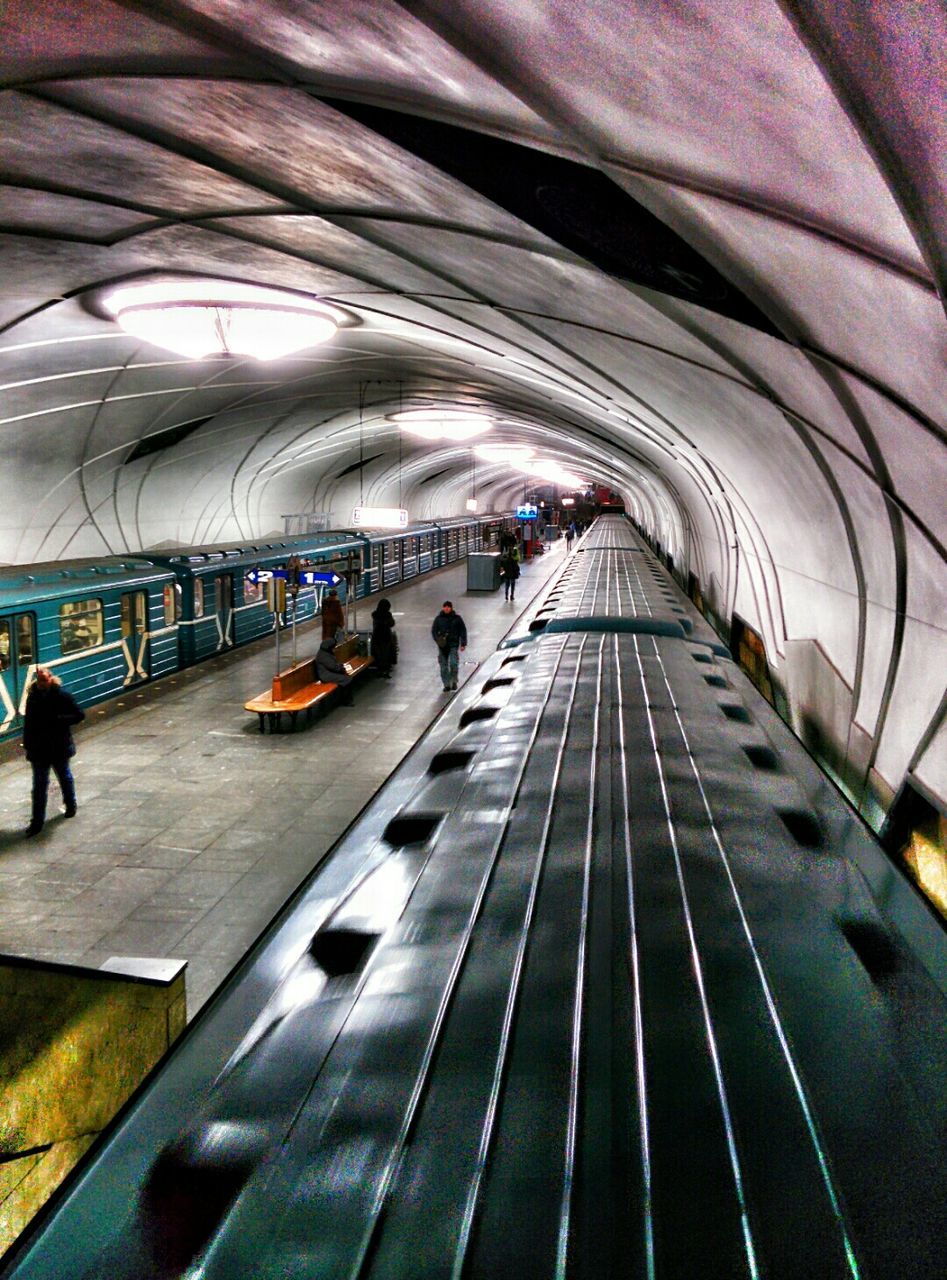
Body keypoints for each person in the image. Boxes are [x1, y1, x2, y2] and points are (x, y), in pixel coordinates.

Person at [21, 667, 84, 837]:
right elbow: (29, 724)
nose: (42, 683)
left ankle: (71, 804)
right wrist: (27, 745)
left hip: (59, 747)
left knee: (64, 776)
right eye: (40, 680)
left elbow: (79, 715)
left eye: (45, 680)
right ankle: (37, 822)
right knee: (39, 786)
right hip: (39, 749)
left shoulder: (63, 696)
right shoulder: (32, 698)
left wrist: (60, 720)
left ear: (51, 679)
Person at [431, 601, 467, 692]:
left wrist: (463, 643)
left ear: (451, 608)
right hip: (442, 646)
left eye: (448, 607)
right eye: (445, 607)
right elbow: (434, 631)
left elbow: (463, 631)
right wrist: (438, 640)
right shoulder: (438, 619)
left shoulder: (457, 619)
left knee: (453, 664)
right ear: (443, 608)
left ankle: (453, 681)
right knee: (443, 667)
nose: (446, 608)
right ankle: (446, 684)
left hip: (453, 645)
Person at [315, 637, 354, 704]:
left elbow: (334, 665)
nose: (335, 648)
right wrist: (343, 668)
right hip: (325, 675)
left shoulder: (325, 652)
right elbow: (334, 667)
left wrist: (342, 667)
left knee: (346, 677)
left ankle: (344, 698)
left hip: (328, 672)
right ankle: (345, 700)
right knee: (347, 679)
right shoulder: (324, 656)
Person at [371, 598, 396, 678]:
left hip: (376, 637)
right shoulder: (388, 614)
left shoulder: (375, 614)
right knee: (386, 654)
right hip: (385, 637)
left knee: (378, 654)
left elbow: (376, 624)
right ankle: (385, 671)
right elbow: (392, 623)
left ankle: (380, 670)